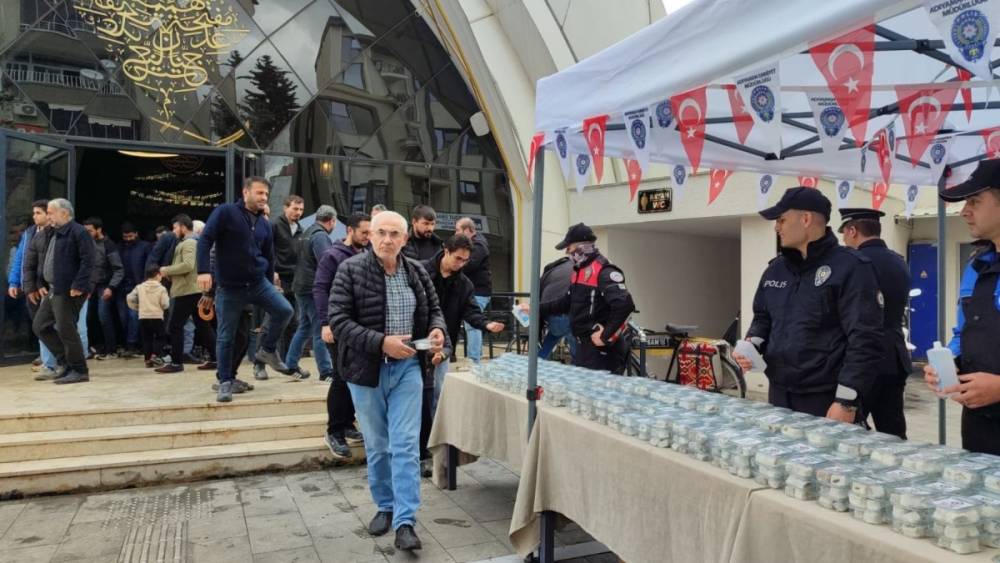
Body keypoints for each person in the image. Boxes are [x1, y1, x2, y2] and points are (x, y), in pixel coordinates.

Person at [329, 210, 448, 551]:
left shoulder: (417, 272)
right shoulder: (350, 270)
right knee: (378, 445)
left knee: (406, 445)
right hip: (366, 372)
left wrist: (437, 331)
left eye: (395, 234)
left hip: (408, 369)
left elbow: (434, 310)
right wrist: (382, 342)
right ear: (370, 236)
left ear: (405, 239)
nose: (387, 239)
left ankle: (405, 521)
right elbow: (338, 321)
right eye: (381, 232)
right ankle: (385, 505)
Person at [733, 187, 884, 421]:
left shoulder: (851, 267)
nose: (776, 227)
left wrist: (847, 400)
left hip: (826, 397)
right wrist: (751, 344)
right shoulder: (776, 269)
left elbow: (865, 338)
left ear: (805, 219)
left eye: (782, 220)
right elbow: (763, 318)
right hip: (780, 392)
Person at [924, 160, 1000, 454]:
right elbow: (964, 331)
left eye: (975, 201)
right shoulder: (977, 266)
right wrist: (948, 364)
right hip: (979, 426)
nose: (964, 211)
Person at [198, 177, 293, 403]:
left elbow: (269, 257)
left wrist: (270, 284)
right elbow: (205, 240)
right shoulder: (226, 212)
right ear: (245, 192)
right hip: (230, 287)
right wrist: (203, 271)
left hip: (258, 283)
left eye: (266, 194)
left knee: (284, 310)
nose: (264, 198)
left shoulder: (264, 225)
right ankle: (225, 381)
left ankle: (267, 350)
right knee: (226, 337)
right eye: (259, 193)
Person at [839, 208, 913, 439]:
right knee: (892, 430)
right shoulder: (898, 261)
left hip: (864, 358)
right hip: (894, 356)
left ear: (853, 231)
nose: (844, 239)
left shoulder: (855, 262)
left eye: (844, 233)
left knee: (850, 431)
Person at [422, 235, 503, 438]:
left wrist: (486, 324)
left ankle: (434, 438)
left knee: (438, 394)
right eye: (458, 258)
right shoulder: (420, 271)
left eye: (465, 260)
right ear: (446, 251)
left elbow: (471, 311)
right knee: (416, 394)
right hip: (418, 342)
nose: (461, 264)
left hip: (443, 344)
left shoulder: (465, 284)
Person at [534, 223, 635, 373]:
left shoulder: (604, 270)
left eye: (569, 248)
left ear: (581, 246)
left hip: (601, 352)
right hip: (583, 347)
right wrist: (535, 308)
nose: (567, 252)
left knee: (599, 389)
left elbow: (625, 305)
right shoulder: (578, 271)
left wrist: (605, 335)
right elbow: (566, 302)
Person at [314, 212, 370, 458]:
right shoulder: (332, 256)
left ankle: (347, 423)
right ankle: (334, 431)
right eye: (364, 233)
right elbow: (320, 288)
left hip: (358, 328)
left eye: (370, 233)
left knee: (352, 376)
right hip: (337, 326)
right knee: (340, 376)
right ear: (350, 230)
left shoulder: (367, 255)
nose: (368, 237)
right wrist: (326, 323)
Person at [30, 199, 95, 384]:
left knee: (67, 329)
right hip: (54, 288)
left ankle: (79, 370)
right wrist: (39, 281)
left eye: (51, 213)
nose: (48, 216)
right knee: (40, 326)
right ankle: (65, 363)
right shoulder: (53, 232)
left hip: (69, 290)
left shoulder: (78, 232)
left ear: (64, 213)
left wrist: (79, 285)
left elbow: (89, 260)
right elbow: (45, 259)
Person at [156, 215, 216, 373]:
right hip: (193, 289)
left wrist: (166, 270)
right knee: (203, 326)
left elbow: (188, 265)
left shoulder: (189, 243)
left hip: (187, 291)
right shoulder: (193, 242)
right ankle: (215, 359)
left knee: (175, 326)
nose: (174, 231)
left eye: (175, 227)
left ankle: (176, 363)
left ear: (183, 227)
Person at [284, 205, 338, 380]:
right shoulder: (321, 236)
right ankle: (326, 371)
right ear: (332, 221)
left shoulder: (306, 232)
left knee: (304, 327)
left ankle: (291, 365)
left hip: (301, 286)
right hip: (313, 288)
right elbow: (326, 263)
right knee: (320, 329)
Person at [82, 217, 125, 360]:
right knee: (87, 317)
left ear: (99, 229)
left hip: (104, 285)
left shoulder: (108, 245)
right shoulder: (86, 243)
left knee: (103, 316)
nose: (87, 234)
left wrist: (111, 287)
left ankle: (111, 349)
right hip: (90, 285)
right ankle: (93, 346)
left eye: (90, 231)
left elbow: (119, 269)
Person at [455, 217, 492, 364]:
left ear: (468, 230)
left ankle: (474, 360)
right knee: (473, 324)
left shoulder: (478, 245)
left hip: (478, 292)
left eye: (458, 230)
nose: (456, 233)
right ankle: (475, 358)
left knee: (473, 325)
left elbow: (469, 265)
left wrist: (454, 263)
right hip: (476, 291)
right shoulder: (475, 244)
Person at [271, 195, 304, 356]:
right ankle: (261, 360)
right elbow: (268, 249)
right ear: (285, 208)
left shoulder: (300, 229)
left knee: (292, 321)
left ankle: (288, 360)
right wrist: (272, 271)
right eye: (295, 208)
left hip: (294, 279)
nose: (298, 212)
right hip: (278, 278)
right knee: (274, 319)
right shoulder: (275, 225)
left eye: (301, 209)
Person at [117, 222, 151, 357]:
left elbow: (149, 265)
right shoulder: (119, 247)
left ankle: (132, 344)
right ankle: (128, 342)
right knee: (123, 317)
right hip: (121, 286)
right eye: (125, 237)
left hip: (137, 286)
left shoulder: (145, 246)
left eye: (130, 236)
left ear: (136, 234)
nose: (128, 239)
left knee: (133, 316)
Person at [127, 265, 170, 367]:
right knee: (160, 337)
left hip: (143, 316)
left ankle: (147, 360)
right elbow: (165, 304)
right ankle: (155, 355)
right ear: (157, 275)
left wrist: (137, 307)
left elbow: (129, 298)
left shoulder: (139, 287)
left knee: (147, 339)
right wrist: (162, 307)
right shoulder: (162, 288)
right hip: (157, 316)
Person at [538, 254, 577, 361]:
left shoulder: (552, 270)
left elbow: (538, 294)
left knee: (553, 335)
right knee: (577, 353)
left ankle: (538, 363)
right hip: (569, 313)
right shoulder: (578, 268)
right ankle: (577, 369)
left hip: (550, 314)